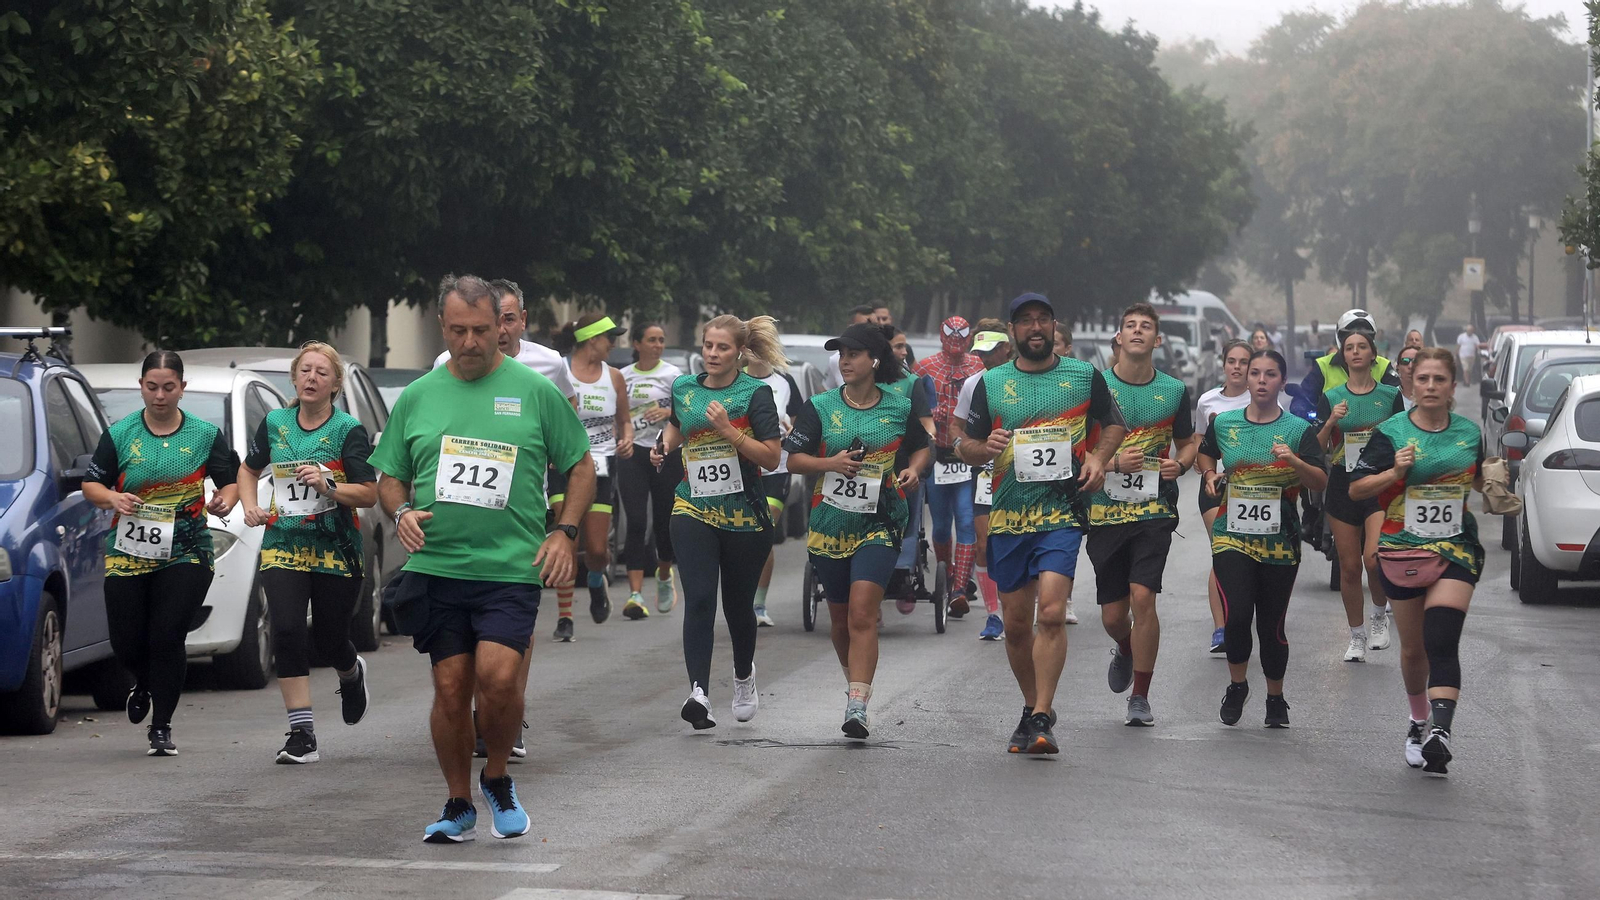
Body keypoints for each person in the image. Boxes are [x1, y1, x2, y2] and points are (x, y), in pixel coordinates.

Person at [371, 274, 592, 843]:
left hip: (511, 567)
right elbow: (389, 477)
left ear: (502, 327)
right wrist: (400, 513)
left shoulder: (534, 390)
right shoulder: (420, 394)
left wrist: (565, 532)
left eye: (481, 330)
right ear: (443, 329)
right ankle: (459, 802)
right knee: (450, 689)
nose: (470, 342)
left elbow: (581, 464)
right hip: (438, 567)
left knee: (497, 680)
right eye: (458, 330)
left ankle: (496, 777)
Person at [957, 293, 1125, 754]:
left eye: (1043, 320)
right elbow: (963, 446)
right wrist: (983, 446)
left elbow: (1113, 425)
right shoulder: (991, 383)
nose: (1035, 327)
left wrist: (1098, 457)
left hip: (1061, 514)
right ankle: (1032, 709)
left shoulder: (1083, 376)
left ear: (1054, 327)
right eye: (1026, 321)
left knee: (1051, 612)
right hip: (1009, 515)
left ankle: (1041, 715)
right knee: (1015, 625)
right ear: (1013, 331)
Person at [83, 350, 239, 756]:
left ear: (182, 389)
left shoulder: (205, 434)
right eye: (152, 387)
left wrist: (224, 500)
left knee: (167, 635)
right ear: (142, 388)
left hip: (186, 550)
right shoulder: (120, 434)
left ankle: (161, 726)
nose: (160, 396)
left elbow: (230, 482)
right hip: (128, 550)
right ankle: (144, 680)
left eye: (169, 387)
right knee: (126, 642)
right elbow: (91, 486)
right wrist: (114, 498)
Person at [786, 323, 930, 738]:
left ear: (874, 360)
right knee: (840, 620)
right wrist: (829, 464)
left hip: (880, 522)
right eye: (841, 355)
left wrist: (913, 469)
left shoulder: (898, 408)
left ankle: (857, 704)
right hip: (829, 523)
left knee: (863, 613)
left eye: (853, 354)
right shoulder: (820, 406)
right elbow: (793, 459)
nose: (845, 361)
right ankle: (855, 680)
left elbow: (923, 445)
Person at [238, 342, 378, 765]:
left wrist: (327, 485)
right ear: (294, 379)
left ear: (335, 384)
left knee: (329, 639)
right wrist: (249, 505)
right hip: (284, 543)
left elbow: (370, 493)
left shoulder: (347, 430)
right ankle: (302, 733)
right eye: (305, 371)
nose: (312, 378)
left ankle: (350, 673)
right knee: (286, 630)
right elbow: (248, 469)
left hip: (336, 548)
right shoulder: (275, 423)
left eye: (322, 372)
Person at [1350, 348, 1486, 776]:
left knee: (1442, 637)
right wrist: (1393, 473)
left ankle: (1440, 733)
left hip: (1455, 549)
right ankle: (1417, 721)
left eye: (1439, 380)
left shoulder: (1470, 432)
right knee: (1413, 650)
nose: (1430, 387)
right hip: (1402, 548)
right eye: (1423, 379)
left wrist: (1497, 487)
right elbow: (1356, 490)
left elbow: (1481, 481)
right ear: (1412, 384)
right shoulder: (1390, 432)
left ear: (1452, 387)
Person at [652, 315, 785, 729]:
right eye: (708, 345)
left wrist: (729, 431)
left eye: (722, 347)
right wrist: (663, 446)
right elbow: (677, 427)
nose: (712, 354)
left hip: (745, 514)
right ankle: (699, 693)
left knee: (738, 607)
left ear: (739, 352)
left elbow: (771, 457)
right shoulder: (685, 388)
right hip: (693, 507)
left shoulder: (756, 394)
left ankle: (743, 676)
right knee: (702, 599)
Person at [1197, 349, 1327, 728]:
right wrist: (1209, 474)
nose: (1261, 380)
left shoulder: (1298, 431)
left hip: (1281, 541)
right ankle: (1237, 686)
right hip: (1231, 536)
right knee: (1237, 615)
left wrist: (1295, 462)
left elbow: (1320, 481)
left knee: (1271, 625)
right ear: (1247, 380)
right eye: (1255, 373)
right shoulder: (1225, 423)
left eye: (1271, 374)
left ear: (1281, 382)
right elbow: (1205, 456)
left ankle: (1275, 696)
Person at [1088, 303, 1198, 727]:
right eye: (1129, 325)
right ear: (1118, 338)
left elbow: (1187, 442)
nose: (1137, 331)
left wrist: (1182, 464)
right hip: (1104, 511)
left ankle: (1141, 696)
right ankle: (1126, 647)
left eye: (1146, 327)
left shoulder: (1172, 390)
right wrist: (1112, 465)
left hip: (1154, 511)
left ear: (1158, 340)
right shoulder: (1094, 388)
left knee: (1143, 597)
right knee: (1115, 616)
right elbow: (1077, 448)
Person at [1315, 321, 1404, 663]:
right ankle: (1356, 636)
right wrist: (1329, 422)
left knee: (1374, 558)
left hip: (1379, 484)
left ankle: (1380, 615)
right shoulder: (1332, 398)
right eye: (1349, 347)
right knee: (1349, 567)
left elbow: (1402, 438)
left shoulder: (1389, 396)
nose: (1355, 352)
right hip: (1343, 484)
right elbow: (1317, 448)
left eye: (1361, 347)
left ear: (1372, 354)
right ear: (1343, 355)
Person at [549, 312, 632, 637]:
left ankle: (597, 580)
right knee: (568, 539)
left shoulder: (613, 377)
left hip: (601, 465)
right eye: (610, 339)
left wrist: (625, 438)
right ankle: (565, 618)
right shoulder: (560, 371)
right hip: (562, 466)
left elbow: (624, 419)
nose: (614, 345)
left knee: (597, 550)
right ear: (591, 340)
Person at [914, 317, 987, 619]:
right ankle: (949, 575)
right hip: (938, 455)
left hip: (968, 457)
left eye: (962, 334)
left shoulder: (979, 367)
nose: (956, 339)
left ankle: (959, 588)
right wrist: (932, 414)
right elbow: (912, 407)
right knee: (942, 525)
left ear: (970, 337)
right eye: (950, 333)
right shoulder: (924, 367)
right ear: (941, 336)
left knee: (967, 521)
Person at [619, 323, 684, 617]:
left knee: (664, 520)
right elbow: (617, 415)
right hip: (634, 454)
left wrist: (668, 412)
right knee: (635, 521)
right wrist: (621, 438)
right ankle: (634, 594)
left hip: (666, 452)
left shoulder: (673, 376)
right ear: (636, 343)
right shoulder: (624, 376)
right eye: (652, 340)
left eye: (661, 340)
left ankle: (663, 573)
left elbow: (689, 411)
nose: (658, 345)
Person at [1194, 340, 1254, 653]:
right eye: (1232, 361)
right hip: (1215, 488)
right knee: (1222, 550)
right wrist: (1208, 473)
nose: (1237, 367)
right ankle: (1221, 628)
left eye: (1244, 362)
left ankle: (1241, 618)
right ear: (1223, 364)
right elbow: (1198, 451)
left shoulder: (1262, 398)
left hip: (1253, 492)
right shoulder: (1207, 401)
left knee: (1245, 557)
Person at [954, 322, 1012, 640]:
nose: (985, 358)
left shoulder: (1029, 379)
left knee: (1018, 542)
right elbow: (957, 427)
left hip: (1025, 472)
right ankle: (994, 615)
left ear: (1007, 348)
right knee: (984, 543)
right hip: (987, 470)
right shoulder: (973, 384)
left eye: (990, 352)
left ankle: (1021, 604)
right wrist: (963, 447)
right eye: (980, 353)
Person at [432, 279, 575, 401]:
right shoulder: (446, 363)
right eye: (494, 322)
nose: (501, 330)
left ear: (523, 319)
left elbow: (569, 404)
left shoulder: (551, 362)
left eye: (509, 319)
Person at [744, 342, 804, 627]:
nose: (755, 352)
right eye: (750, 346)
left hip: (777, 468)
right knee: (744, 537)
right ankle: (741, 598)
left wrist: (794, 433)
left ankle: (758, 604)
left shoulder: (785, 382)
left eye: (760, 346)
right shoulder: (736, 380)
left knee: (764, 530)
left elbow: (800, 426)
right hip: (742, 468)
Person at [884, 326, 935, 611]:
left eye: (905, 346)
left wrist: (920, 463)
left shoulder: (911, 383)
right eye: (898, 347)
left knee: (904, 526)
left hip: (903, 472)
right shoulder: (853, 384)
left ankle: (903, 577)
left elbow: (927, 426)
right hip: (862, 472)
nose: (905, 353)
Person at [1294, 309, 1398, 413]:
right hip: (1331, 426)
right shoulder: (1323, 366)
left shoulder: (1384, 366)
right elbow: (1304, 396)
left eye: (1362, 345)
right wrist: (1300, 408)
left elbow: (1398, 398)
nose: (1356, 351)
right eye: (1350, 345)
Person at [823, 306, 879, 391]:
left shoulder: (892, 359)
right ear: (850, 327)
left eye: (875, 326)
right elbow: (826, 389)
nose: (845, 361)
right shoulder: (835, 361)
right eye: (842, 354)